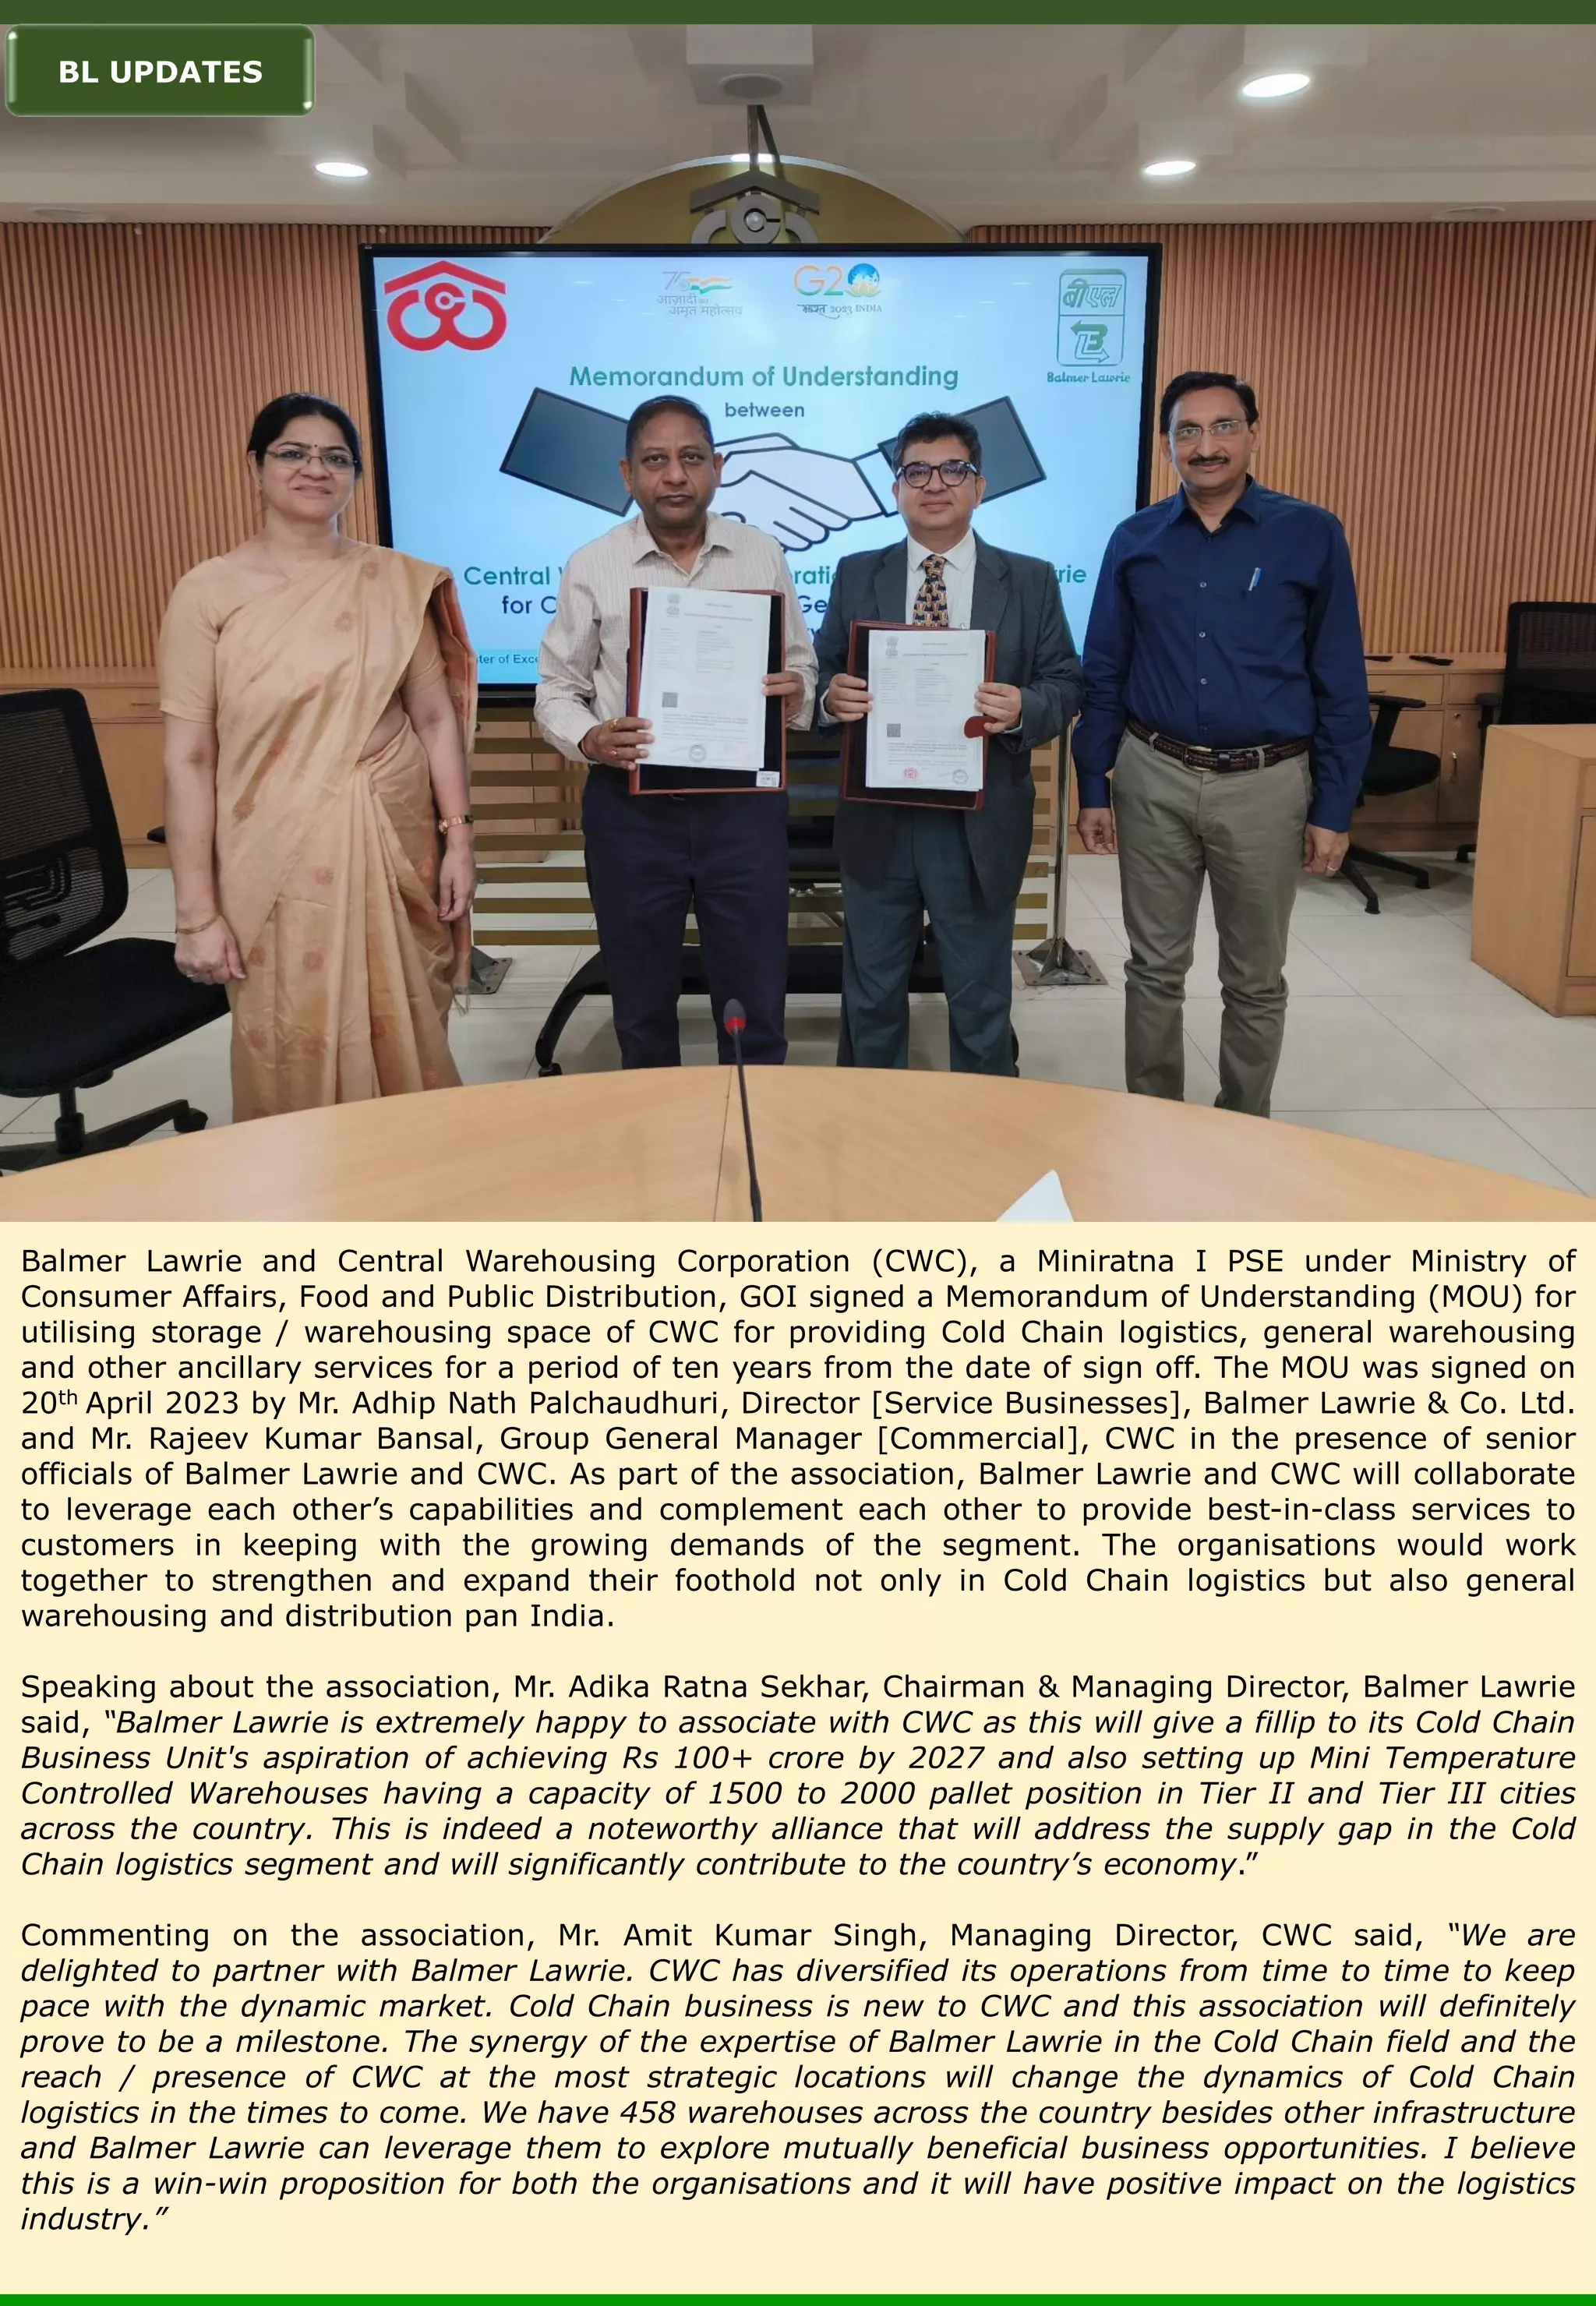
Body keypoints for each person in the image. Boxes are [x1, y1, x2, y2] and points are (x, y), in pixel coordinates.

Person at [159, 392, 477, 1122]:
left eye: (336, 457)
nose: (316, 469)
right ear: (256, 467)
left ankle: (417, 1166)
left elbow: (434, 718)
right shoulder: (208, 593)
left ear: (356, 476)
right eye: (293, 453)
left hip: (395, 836)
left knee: (409, 1016)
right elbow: (189, 759)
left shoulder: (394, 582)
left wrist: (459, 838)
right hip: (272, 852)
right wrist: (196, 913)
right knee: (289, 1030)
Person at [1073, 369, 1370, 1118]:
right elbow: (1104, 669)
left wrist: (1334, 806)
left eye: (1224, 426)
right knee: (1153, 968)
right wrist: (1093, 785)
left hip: (1267, 783)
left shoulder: (1310, 533)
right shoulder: (1134, 539)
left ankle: (1244, 1124)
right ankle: (1155, 1119)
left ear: (1253, 434)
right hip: (1154, 773)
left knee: (1255, 977)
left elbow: (1339, 679)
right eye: (1189, 431)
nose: (1206, 446)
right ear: (1167, 444)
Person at [535, 395, 816, 1069]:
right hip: (631, 811)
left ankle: (752, 1119)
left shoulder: (760, 554)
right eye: (656, 460)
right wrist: (591, 738)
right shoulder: (592, 564)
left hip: (742, 809)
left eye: (691, 458)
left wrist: (796, 690)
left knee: (755, 1002)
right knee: (640, 1004)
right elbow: (556, 689)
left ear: (717, 467)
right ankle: (658, 1129)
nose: (675, 476)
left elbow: (801, 662)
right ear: (627, 474)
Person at [814, 413, 1082, 1074]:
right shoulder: (857, 573)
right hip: (879, 818)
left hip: (977, 822)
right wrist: (829, 698)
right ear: (896, 489)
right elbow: (821, 670)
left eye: (953, 469)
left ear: (979, 486)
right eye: (916, 471)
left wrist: (1022, 709)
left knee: (980, 997)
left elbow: (1066, 684)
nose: (934, 484)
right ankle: (871, 1113)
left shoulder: (1029, 579)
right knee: (872, 994)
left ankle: (980, 1119)